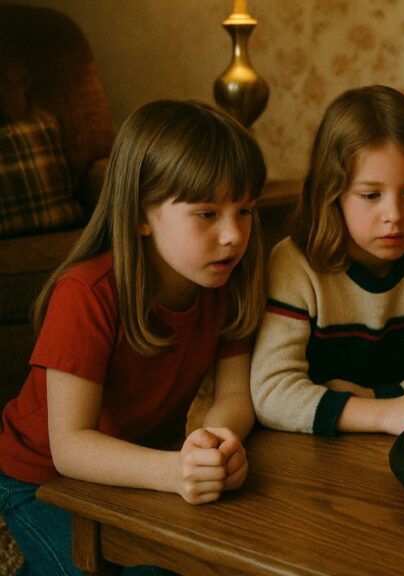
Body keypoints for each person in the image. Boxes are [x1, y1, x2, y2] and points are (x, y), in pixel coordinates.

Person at [0, 100, 265, 574]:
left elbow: (233, 396)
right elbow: (70, 446)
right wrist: (173, 472)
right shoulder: (86, 295)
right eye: (207, 213)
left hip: (144, 462)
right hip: (41, 477)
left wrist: (215, 443)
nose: (233, 235)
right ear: (141, 215)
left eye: (244, 210)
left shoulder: (228, 284)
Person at [250, 85, 404, 437]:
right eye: (370, 195)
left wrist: (376, 399)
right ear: (332, 193)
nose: (394, 215)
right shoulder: (293, 264)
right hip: (319, 446)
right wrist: (383, 414)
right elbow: (271, 393)